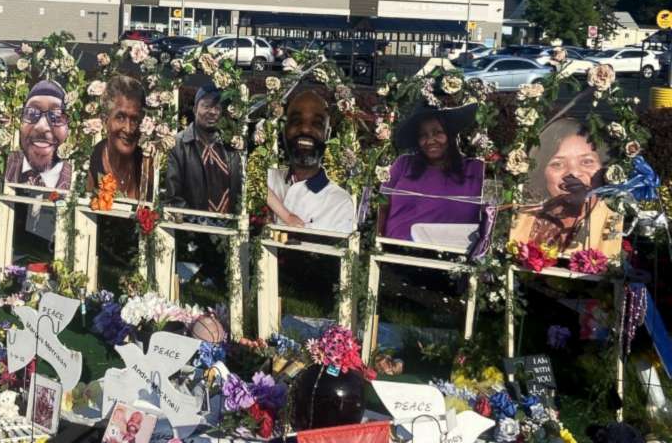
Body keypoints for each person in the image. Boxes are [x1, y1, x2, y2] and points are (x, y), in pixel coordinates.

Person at [510, 115, 623, 257]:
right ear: (542, 172)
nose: (574, 174)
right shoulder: (525, 220)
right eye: (558, 164)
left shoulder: (615, 221)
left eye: (587, 161)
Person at [379, 105, 484, 249]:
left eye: (438, 132)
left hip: (454, 260)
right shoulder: (403, 164)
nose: (430, 140)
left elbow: (491, 215)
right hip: (396, 253)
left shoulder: (476, 170)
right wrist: (377, 243)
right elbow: (382, 205)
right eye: (423, 135)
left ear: (451, 134)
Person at [266, 85, 357, 233]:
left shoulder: (338, 202)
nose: (305, 129)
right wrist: (287, 216)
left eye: (316, 124)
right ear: (284, 130)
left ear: (327, 134)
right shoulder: (268, 177)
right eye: (296, 121)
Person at [165, 82, 242, 213]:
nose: (212, 112)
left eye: (217, 108)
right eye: (206, 106)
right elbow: (173, 196)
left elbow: (238, 192)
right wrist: (197, 224)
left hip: (228, 229)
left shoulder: (230, 146)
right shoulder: (179, 145)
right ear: (195, 109)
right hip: (193, 229)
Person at [87, 74, 153, 202]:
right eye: (120, 117)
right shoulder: (89, 163)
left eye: (134, 120)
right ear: (105, 120)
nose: (128, 129)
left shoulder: (146, 164)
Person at [4, 81, 72, 190]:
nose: (42, 126)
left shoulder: (78, 177)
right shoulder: (2, 167)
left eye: (56, 116)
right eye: (31, 113)